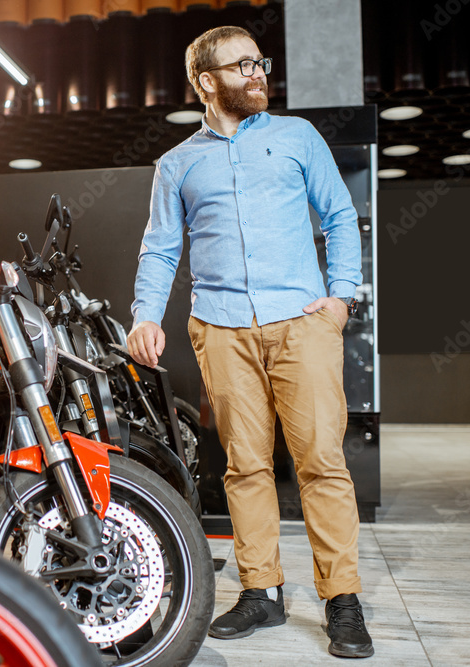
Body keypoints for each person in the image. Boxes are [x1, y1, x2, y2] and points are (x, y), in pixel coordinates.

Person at [126, 26, 373, 659]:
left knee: (321, 462)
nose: (258, 73)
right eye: (242, 66)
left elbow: (341, 216)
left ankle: (342, 601)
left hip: (301, 323)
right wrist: (145, 316)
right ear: (207, 82)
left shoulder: (297, 138)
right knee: (245, 467)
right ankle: (261, 590)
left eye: (260, 62)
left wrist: (341, 297)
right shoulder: (177, 163)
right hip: (221, 329)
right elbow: (160, 247)